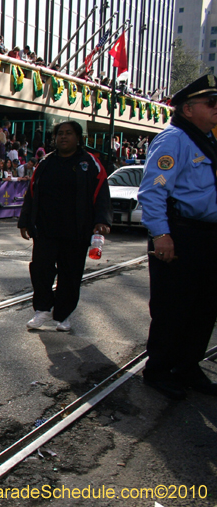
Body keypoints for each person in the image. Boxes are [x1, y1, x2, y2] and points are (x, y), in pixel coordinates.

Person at [136, 75, 217, 400]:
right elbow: (153, 191)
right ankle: (158, 369)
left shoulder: (207, 139)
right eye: (210, 103)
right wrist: (161, 235)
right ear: (188, 109)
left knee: (204, 308)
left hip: (208, 237)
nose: (216, 108)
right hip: (180, 234)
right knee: (173, 308)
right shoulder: (174, 139)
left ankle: (187, 366)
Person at [18, 121, 111, 332]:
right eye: (60, 133)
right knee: (40, 270)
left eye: (69, 133)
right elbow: (31, 193)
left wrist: (102, 220)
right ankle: (42, 309)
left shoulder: (91, 163)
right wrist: (25, 221)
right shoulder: (45, 163)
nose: (63, 137)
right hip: (46, 229)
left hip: (77, 231)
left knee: (70, 274)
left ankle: (63, 315)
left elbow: (101, 194)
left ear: (78, 138)